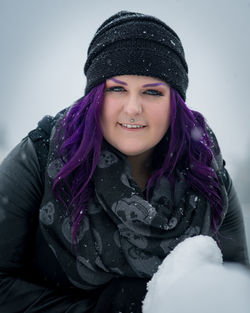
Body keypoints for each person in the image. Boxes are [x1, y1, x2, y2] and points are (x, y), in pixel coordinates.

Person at [0, 10, 248, 313]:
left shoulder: (206, 175)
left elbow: (234, 290)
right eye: (116, 89)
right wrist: (103, 309)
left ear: (174, 103)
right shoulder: (41, 156)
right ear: (95, 97)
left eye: (152, 92)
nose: (133, 108)